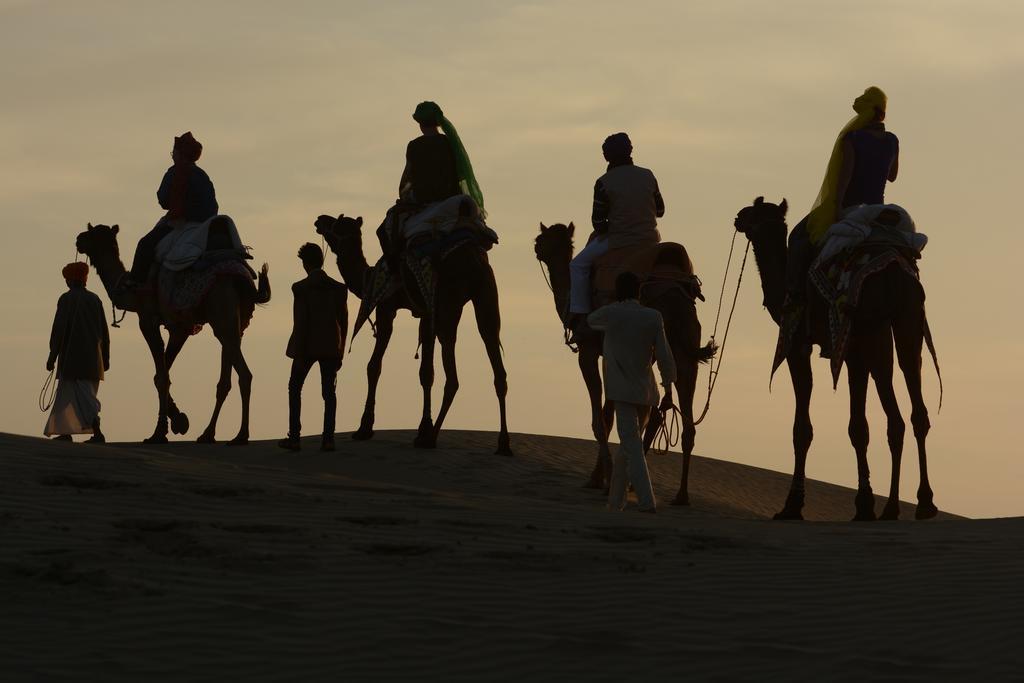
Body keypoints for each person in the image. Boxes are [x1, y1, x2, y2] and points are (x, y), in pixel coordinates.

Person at [786, 86, 899, 303]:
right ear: (882, 114)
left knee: (800, 237)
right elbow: (892, 176)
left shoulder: (852, 138)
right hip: (877, 210)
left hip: (851, 209)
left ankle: (795, 299)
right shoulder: (892, 140)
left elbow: (844, 178)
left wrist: (836, 208)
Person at [587, 271, 676, 513]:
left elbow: (591, 320)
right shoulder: (653, 317)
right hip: (646, 393)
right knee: (627, 450)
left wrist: (610, 302)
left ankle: (647, 501)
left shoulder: (611, 313)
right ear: (639, 291)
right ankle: (616, 503)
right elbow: (665, 357)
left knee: (632, 448)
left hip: (621, 393)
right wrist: (668, 389)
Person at [568, 133, 665, 329]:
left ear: (607, 156)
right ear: (630, 151)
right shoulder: (648, 175)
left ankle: (580, 316)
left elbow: (598, 222)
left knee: (577, 265)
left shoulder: (603, 182)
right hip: (650, 240)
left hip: (618, 240)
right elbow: (660, 211)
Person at [377, 101, 487, 264]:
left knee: (387, 228)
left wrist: (405, 197)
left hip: (424, 201)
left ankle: (394, 271)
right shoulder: (449, 143)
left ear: (420, 124)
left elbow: (409, 178)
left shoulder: (415, 146)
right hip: (451, 198)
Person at [279, 243, 348, 452]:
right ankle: (328, 439)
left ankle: (295, 437)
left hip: (306, 347)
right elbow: (343, 322)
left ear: (305, 263)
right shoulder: (338, 288)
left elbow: (300, 322)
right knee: (329, 393)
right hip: (330, 348)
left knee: (294, 388)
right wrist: (340, 350)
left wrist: (297, 352)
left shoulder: (300, 288)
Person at [128, 132, 219, 284]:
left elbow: (163, 199)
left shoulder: (175, 172)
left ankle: (136, 284)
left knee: (145, 245)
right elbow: (212, 206)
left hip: (180, 224)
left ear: (180, 154)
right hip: (206, 225)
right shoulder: (203, 175)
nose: (172, 156)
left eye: (174, 152)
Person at [44, 262, 110, 443]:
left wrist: (52, 356)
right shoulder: (95, 299)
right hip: (93, 361)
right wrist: (105, 358)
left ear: (70, 280)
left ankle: (97, 432)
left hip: (72, 360)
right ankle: (65, 432)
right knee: (69, 395)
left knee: (84, 397)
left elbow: (58, 330)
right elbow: (104, 332)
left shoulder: (66, 299)